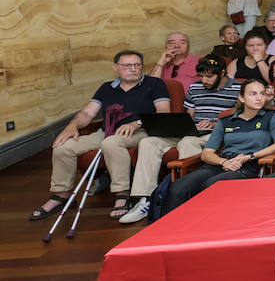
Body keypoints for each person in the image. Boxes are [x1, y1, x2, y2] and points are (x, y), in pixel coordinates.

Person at [32, 50, 171, 221]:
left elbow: (164, 112)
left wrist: (137, 123)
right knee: (63, 146)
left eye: (137, 65)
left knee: (111, 143)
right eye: (128, 65)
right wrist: (72, 125)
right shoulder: (106, 88)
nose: (134, 69)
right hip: (105, 131)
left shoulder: (155, 84)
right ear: (116, 68)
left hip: (141, 131)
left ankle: (122, 193)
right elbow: (88, 114)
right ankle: (62, 195)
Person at [122, 55, 241, 223]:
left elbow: (239, 115)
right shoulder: (195, 87)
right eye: (201, 76)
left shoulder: (237, 88)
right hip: (193, 130)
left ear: (222, 73)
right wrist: (182, 125)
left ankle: (181, 195)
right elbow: (190, 115)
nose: (204, 80)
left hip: (216, 132)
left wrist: (216, 123)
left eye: (209, 76)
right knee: (148, 142)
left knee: (188, 142)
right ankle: (146, 199)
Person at [160, 78, 275, 216]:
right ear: (241, 98)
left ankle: (202, 230)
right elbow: (207, 153)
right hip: (221, 164)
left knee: (212, 186)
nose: (259, 98)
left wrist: (248, 157)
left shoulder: (272, 116)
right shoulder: (227, 121)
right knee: (178, 187)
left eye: (262, 93)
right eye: (253, 94)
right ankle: (168, 233)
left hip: (250, 165)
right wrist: (224, 162)